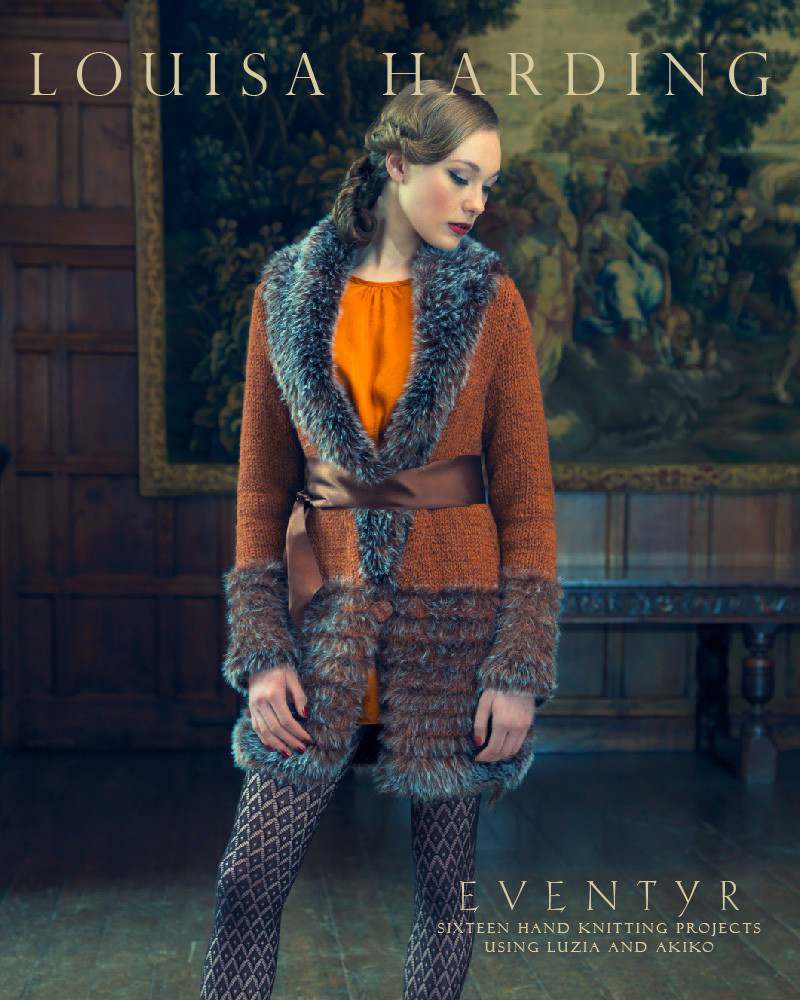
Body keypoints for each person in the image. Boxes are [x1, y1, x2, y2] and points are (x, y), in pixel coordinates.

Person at [200, 79, 563, 1000]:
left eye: (487, 183)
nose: (477, 201)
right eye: (460, 176)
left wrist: (517, 668)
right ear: (397, 164)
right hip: (324, 614)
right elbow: (260, 490)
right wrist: (262, 656)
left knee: (447, 893)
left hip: (456, 621)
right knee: (247, 883)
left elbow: (527, 501)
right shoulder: (288, 293)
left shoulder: (491, 301)